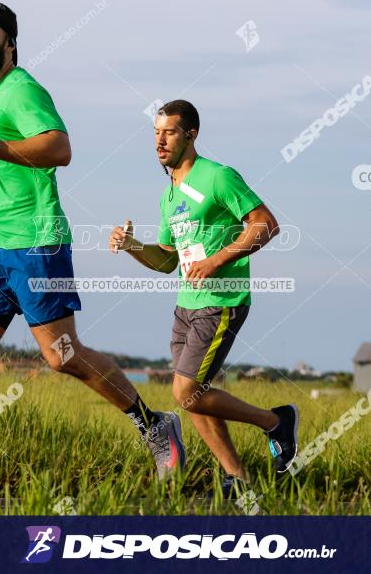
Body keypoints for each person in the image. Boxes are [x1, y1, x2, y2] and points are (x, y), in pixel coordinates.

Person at [0, 1, 184, 505]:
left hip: (37, 246)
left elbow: (59, 149)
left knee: (61, 355)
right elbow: (9, 167)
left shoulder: (22, 91)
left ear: (10, 44)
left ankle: (154, 425)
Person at [109, 100, 298, 497]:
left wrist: (217, 260)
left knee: (185, 391)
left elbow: (266, 224)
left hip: (223, 299)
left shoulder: (218, 177)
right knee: (196, 398)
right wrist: (131, 246)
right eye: (156, 132)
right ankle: (239, 481)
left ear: (191, 135)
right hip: (186, 305)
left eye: (170, 132)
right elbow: (165, 261)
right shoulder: (169, 195)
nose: (160, 141)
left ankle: (274, 422)